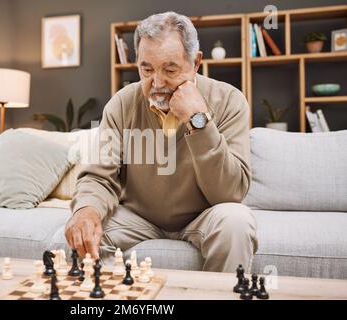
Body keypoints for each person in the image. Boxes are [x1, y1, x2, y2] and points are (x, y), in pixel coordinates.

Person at [65, 11, 258, 273]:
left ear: (196, 62)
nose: (157, 83)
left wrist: (197, 119)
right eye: (146, 69)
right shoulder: (122, 103)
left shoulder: (229, 101)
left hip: (203, 217)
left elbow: (230, 193)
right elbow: (99, 177)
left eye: (170, 69)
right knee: (83, 233)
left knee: (237, 222)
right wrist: (86, 210)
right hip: (139, 217)